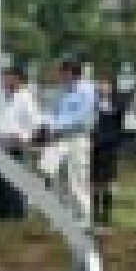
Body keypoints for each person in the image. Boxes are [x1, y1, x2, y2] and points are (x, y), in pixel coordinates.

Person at [37, 55, 97, 225]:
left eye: (62, 72)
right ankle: (62, 216)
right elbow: (53, 112)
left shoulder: (86, 90)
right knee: (56, 176)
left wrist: (54, 126)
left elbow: (80, 117)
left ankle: (84, 218)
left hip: (77, 138)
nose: (59, 76)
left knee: (77, 177)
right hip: (59, 139)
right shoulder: (62, 91)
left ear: (71, 72)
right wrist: (45, 125)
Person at [0, 63, 41, 219]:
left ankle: (17, 221)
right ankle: (1, 221)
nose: (4, 80)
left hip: (15, 149)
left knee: (13, 189)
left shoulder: (25, 98)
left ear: (17, 79)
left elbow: (36, 124)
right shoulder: (6, 98)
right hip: (0, 147)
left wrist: (23, 138)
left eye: (8, 77)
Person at [90, 74, 127, 227]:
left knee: (107, 181)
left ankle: (106, 214)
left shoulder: (117, 104)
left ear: (112, 87)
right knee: (94, 180)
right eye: (101, 84)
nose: (103, 87)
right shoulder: (93, 103)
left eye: (106, 84)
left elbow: (120, 125)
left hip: (110, 147)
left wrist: (115, 141)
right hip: (94, 146)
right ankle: (94, 213)